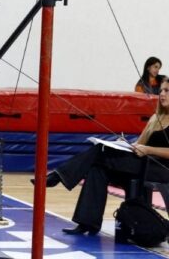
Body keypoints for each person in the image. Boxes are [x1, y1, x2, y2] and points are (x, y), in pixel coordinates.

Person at [40, 78, 169, 236]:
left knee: (99, 152)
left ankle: (59, 175)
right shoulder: (155, 118)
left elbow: (148, 148)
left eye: (167, 91)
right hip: (142, 163)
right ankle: (87, 223)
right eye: (161, 90)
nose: (162, 94)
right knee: (97, 168)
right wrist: (126, 144)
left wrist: (148, 149)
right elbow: (139, 144)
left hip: (160, 169)